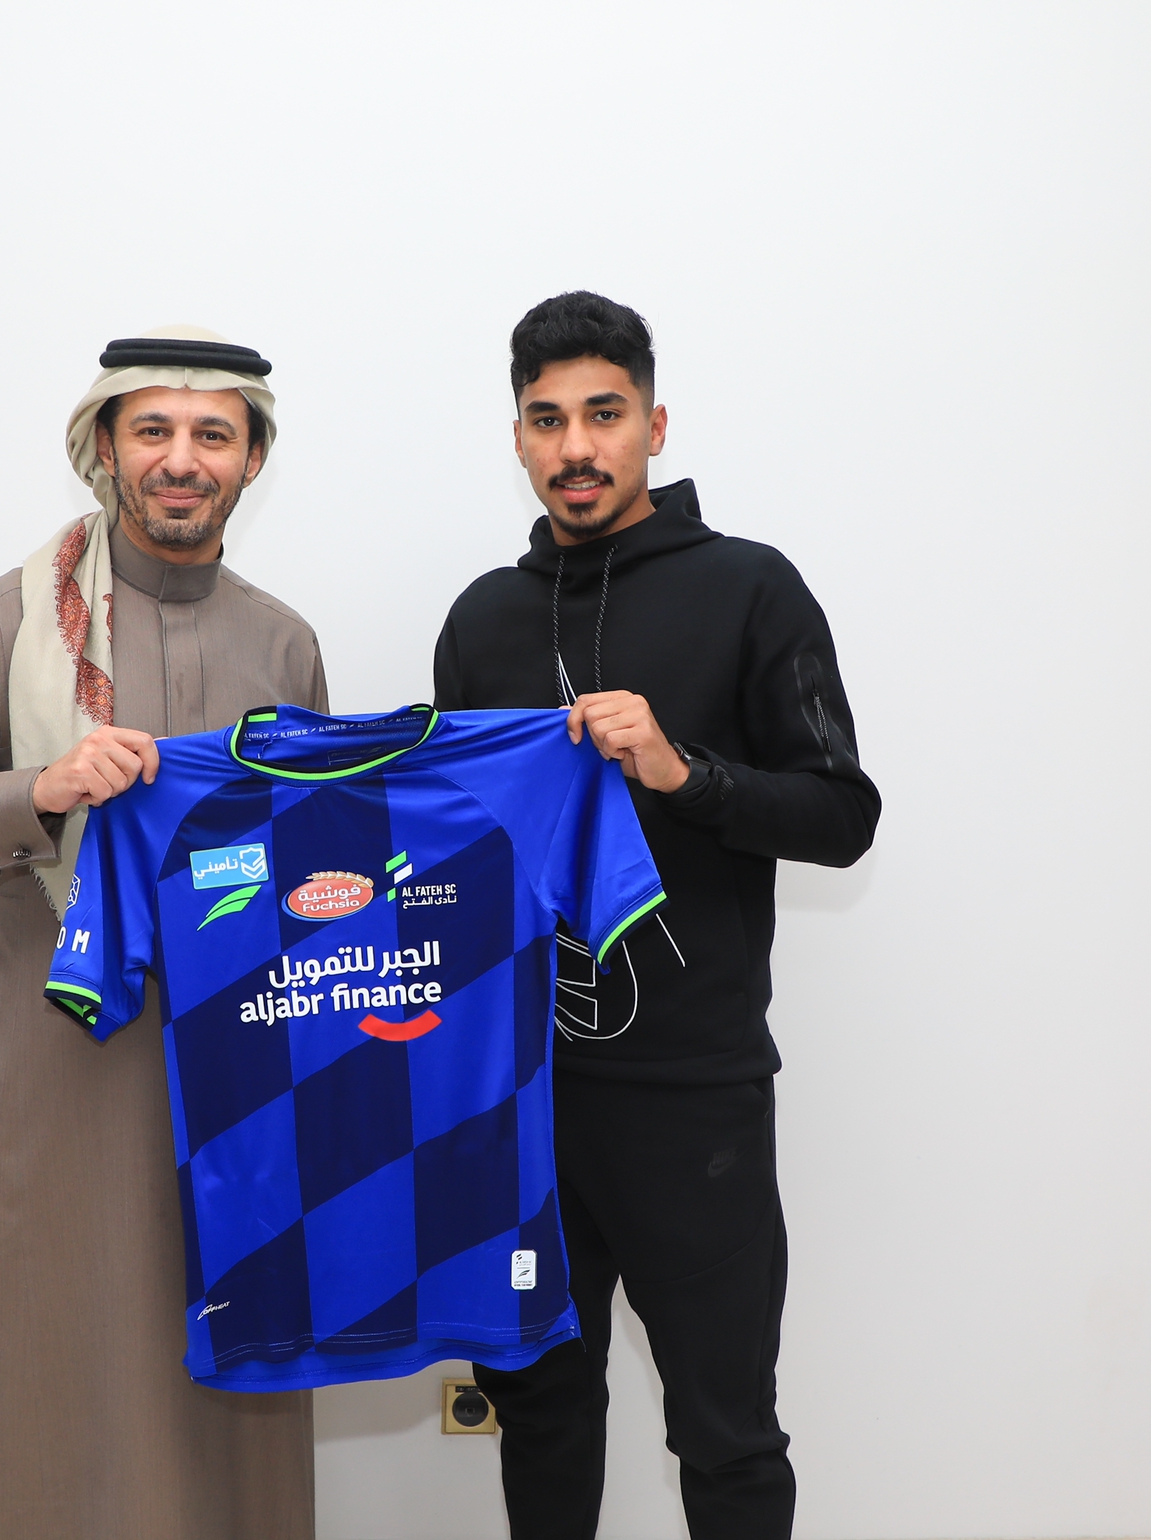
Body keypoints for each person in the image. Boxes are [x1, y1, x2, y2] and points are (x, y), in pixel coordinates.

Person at [0, 326, 325, 1540]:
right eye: (152, 429)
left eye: (212, 433)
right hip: (57, 1064)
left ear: (251, 460)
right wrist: (40, 790)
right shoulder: (13, 618)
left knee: (233, 1349)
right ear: (105, 448)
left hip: (236, 1070)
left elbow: (314, 866)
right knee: (52, 1354)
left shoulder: (283, 643)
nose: (181, 458)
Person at [433, 291, 881, 1540]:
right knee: (540, 1411)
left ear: (654, 425)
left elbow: (842, 813)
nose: (576, 445)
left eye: (604, 414)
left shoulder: (749, 587)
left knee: (726, 1430)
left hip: (692, 1098)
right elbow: (454, 861)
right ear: (517, 438)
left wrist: (683, 772)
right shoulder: (481, 618)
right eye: (547, 419)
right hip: (521, 1100)